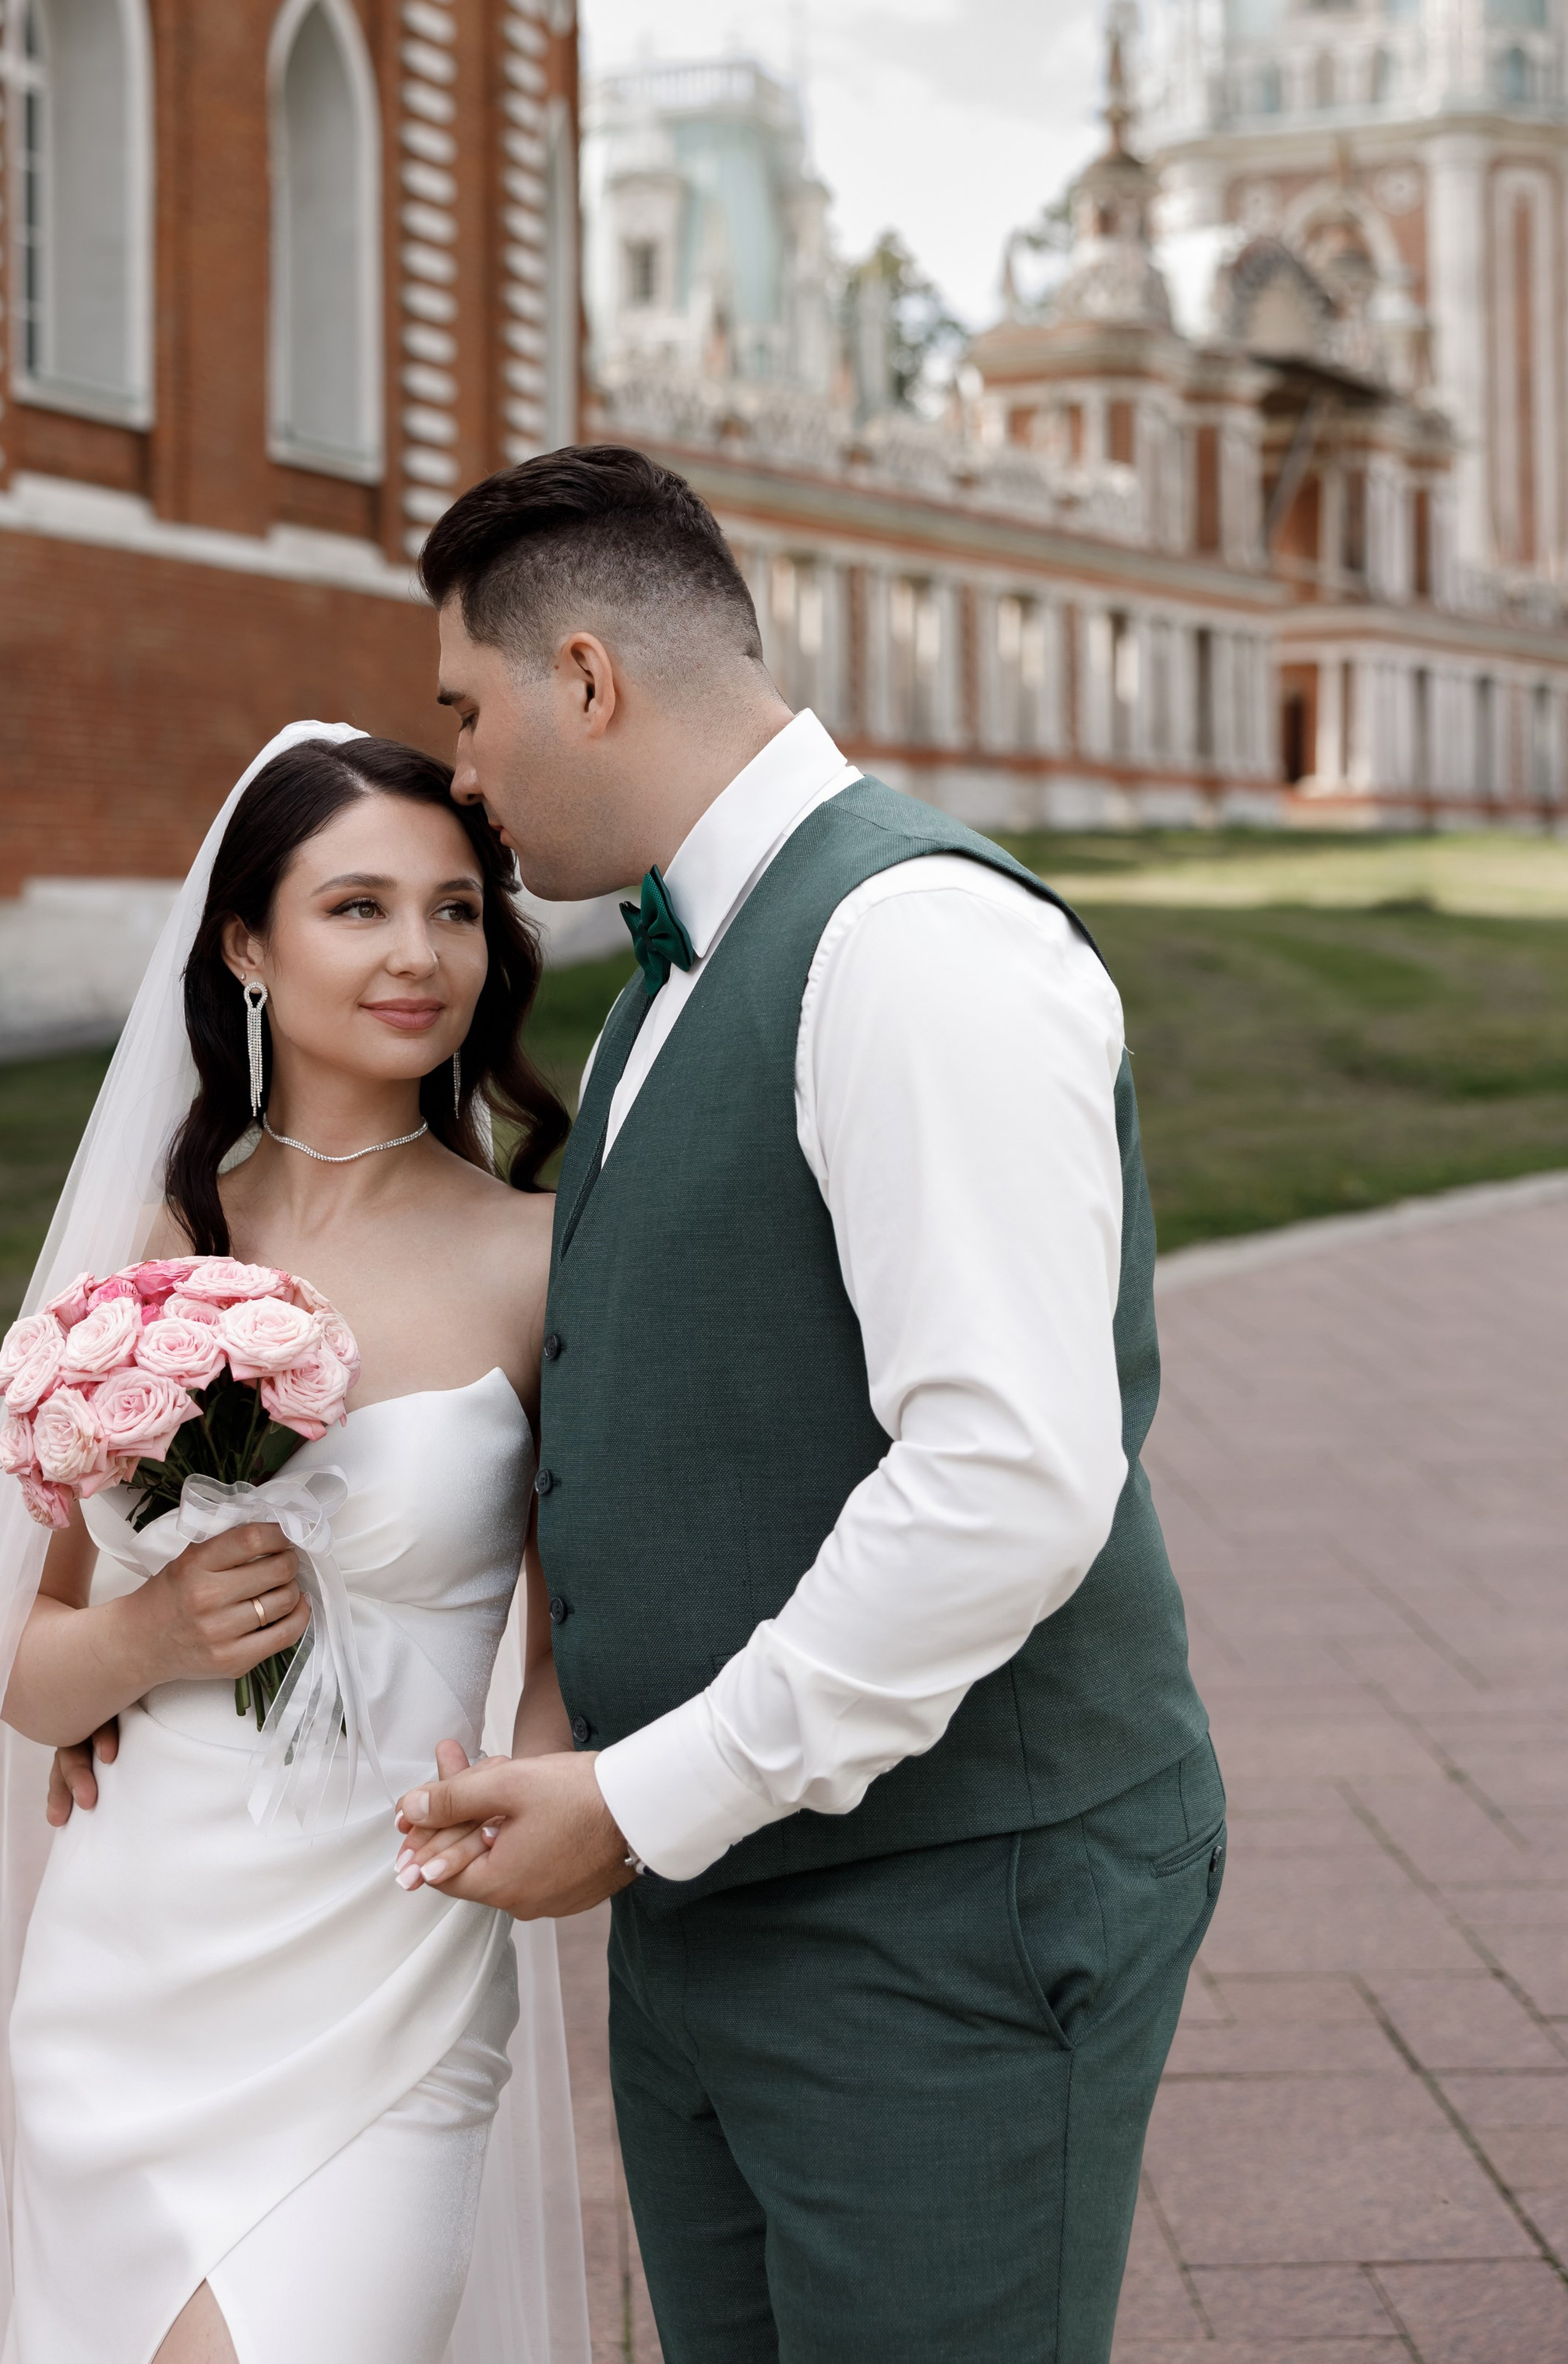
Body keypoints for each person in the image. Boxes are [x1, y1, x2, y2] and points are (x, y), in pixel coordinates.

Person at [393, 444, 1224, 2364]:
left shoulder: (911, 943)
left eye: (466, 706)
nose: (459, 772)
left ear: (585, 678)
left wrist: (648, 1794)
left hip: (943, 1915)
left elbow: (1009, 1482)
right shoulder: (674, 970)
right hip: (722, 1886)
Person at [0, 725, 592, 2364]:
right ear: (246, 942)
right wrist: (149, 1638)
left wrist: (529, 1796)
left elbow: (567, 1637)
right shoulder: (139, 1259)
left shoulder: (541, 1255)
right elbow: (24, 1676)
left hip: (388, 1955)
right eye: (359, 908)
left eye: (456, 912)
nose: (417, 956)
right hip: (134, 1960)